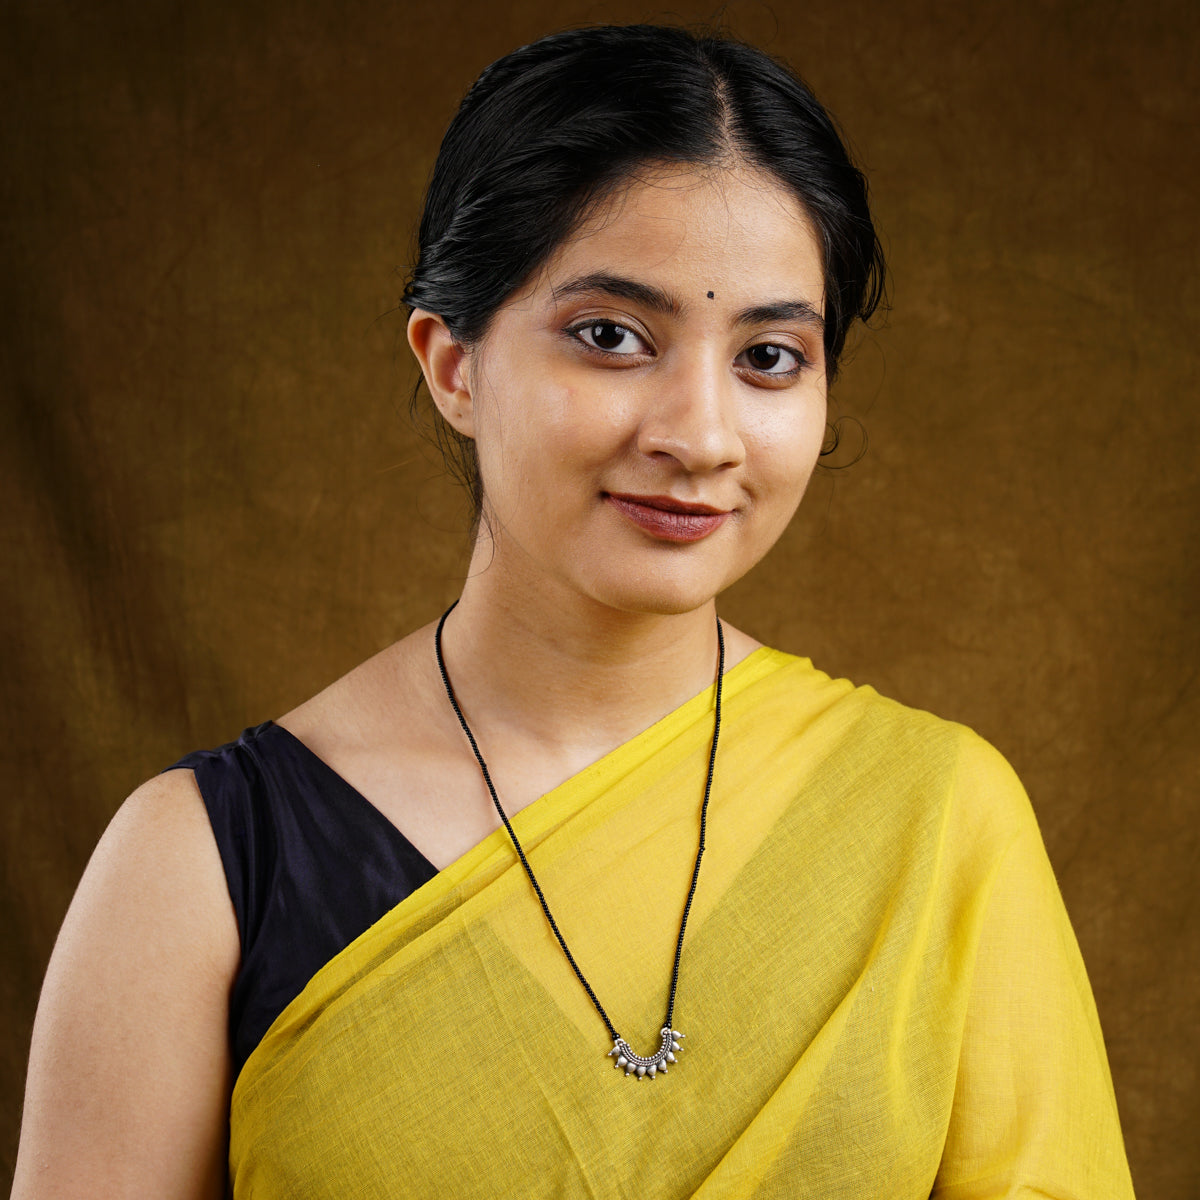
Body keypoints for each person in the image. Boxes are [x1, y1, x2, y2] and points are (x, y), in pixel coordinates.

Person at [13, 24, 1134, 1199]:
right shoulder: (202, 866)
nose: (698, 436)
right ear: (453, 366)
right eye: (611, 337)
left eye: (768, 357)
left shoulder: (939, 821)